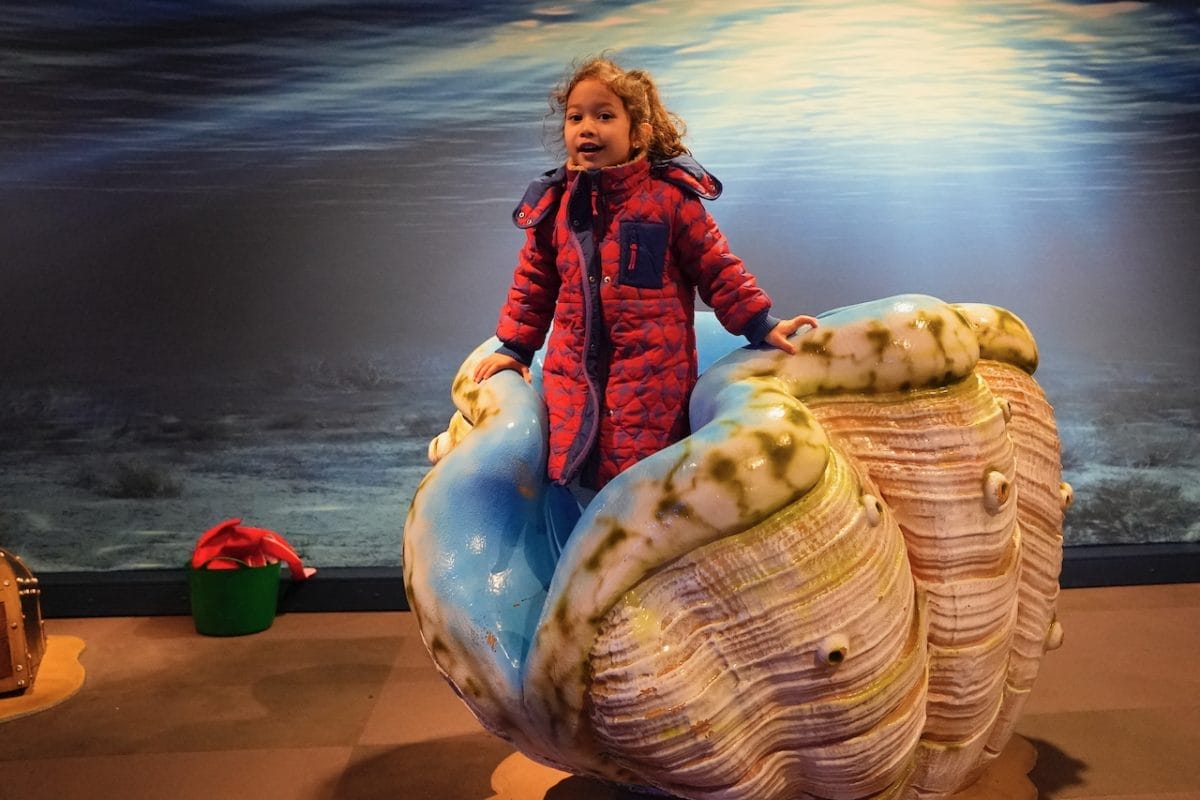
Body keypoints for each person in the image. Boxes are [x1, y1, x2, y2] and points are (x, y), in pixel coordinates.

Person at [474, 56, 818, 492]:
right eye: (575, 117)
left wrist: (759, 324)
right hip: (574, 373)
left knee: (644, 486)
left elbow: (716, 267)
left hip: (652, 376)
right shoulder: (556, 206)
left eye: (604, 116)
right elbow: (534, 282)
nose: (587, 128)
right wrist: (517, 348)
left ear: (639, 132)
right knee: (578, 472)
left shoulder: (669, 200)